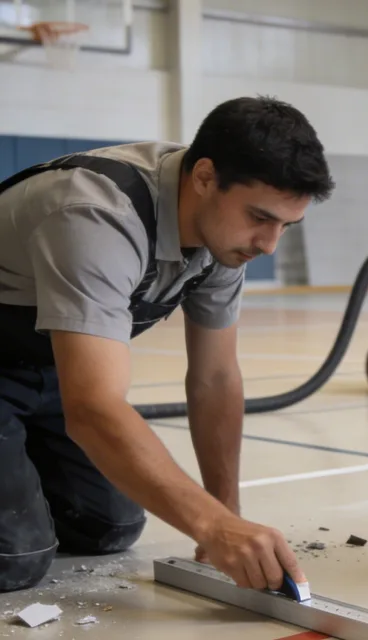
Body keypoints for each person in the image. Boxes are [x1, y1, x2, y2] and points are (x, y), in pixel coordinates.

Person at [0, 96, 334, 594]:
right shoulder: (95, 213)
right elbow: (91, 408)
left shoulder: (224, 234)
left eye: (286, 225)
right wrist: (213, 527)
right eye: (260, 217)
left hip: (42, 367)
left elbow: (215, 377)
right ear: (204, 177)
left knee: (109, 526)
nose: (269, 245)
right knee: (16, 557)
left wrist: (225, 514)